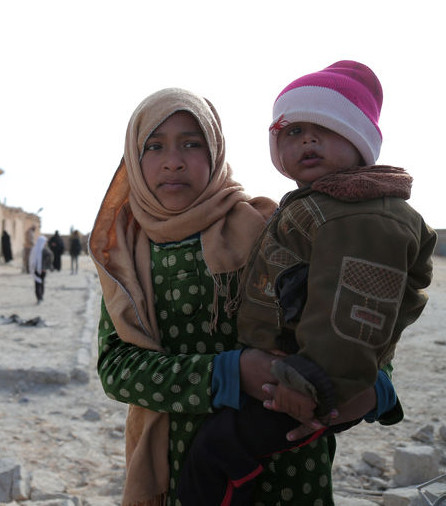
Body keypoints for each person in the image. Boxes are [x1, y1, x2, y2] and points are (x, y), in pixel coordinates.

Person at [90, 87, 400, 506]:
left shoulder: (280, 228)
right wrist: (230, 374)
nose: (173, 160)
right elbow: (117, 367)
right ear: (133, 157)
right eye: (154, 146)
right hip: (187, 465)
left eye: (191, 143)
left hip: (292, 465)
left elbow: (362, 324)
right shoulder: (127, 257)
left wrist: (376, 390)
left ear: (215, 150)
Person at [177, 61, 436, 506]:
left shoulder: (362, 215)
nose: (308, 140)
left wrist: (313, 384)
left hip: (307, 381)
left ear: (360, 142)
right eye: (293, 132)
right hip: (300, 375)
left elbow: (353, 312)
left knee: (214, 458)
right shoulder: (325, 205)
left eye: (326, 129)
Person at [29, 235, 53, 304]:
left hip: (41, 270)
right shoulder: (42, 249)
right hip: (38, 270)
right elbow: (32, 259)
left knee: (40, 283)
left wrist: (45, 265)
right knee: (39, 283)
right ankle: (40, 297)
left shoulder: (39, 249)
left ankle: (40, 297)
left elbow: (50, 257)